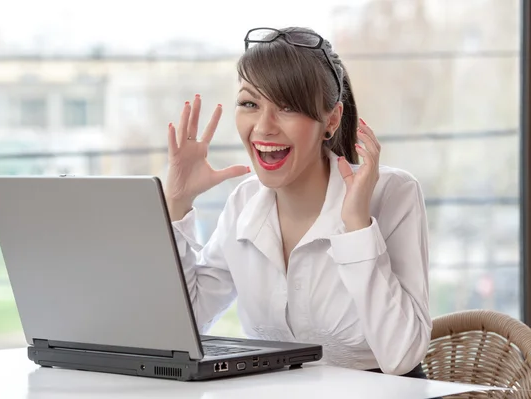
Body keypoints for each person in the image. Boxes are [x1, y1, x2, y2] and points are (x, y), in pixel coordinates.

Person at [163, 27, 433, 378]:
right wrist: (176, 203)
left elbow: (401, 356)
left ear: (331, 120)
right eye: (250, 103)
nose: (263, 127)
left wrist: (356, 227)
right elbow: (184, 325)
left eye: (288, 107)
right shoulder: (243, 202)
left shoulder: (392, 193)